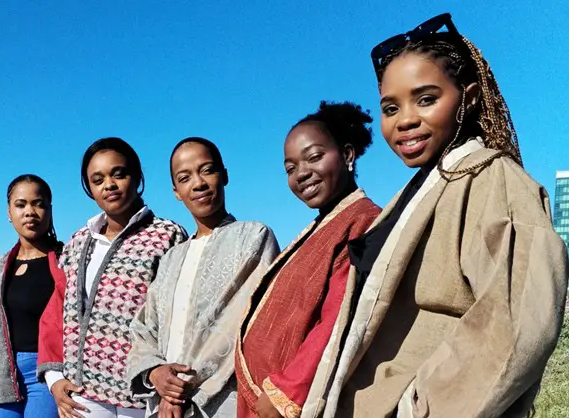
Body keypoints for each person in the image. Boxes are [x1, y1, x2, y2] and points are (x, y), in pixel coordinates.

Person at [306, 13, 569, 418]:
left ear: (470, 96)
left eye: (426, 98)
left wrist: (419, 408)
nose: (406, 119)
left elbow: (518, 324)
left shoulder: (492, 178)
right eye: (390, 107)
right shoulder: (413, 195)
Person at [235, 102, 381, 418]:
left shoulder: (365, 223)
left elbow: (343, 317)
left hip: (291, 403)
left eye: (314, 157)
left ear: (348, 155)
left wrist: (286, 392)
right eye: (290, 168)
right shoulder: (320, 227)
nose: (302, 173)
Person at [127, 137, 280, 418]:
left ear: (224, 175)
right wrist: (156, 373)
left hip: (221, 402)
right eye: (185, 177)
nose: (198, 183)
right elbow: (145, 328)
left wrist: (178, 388)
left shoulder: (253, 238)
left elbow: (239, 324)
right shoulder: (172, 258)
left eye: (207, 170)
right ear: (176, 191)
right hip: (164, 407)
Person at [38, 137, 188, 418]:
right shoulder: (78, 242)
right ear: (90, 188)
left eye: (118, 174)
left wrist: (169, 385)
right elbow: (58, 312)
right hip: (83, 397)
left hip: (143, 396)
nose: (109, 185)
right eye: (98, 179)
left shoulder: (168, 235)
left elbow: (179, 315)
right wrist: (55, 379)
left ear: (137, 177)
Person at [0, 175, 63, 418]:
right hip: (0, 375)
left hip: (50, 374)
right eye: (21, 204)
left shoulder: (67, 261)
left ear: (49, 210)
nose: (30, 212)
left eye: (38, 204)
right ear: (9, 212)